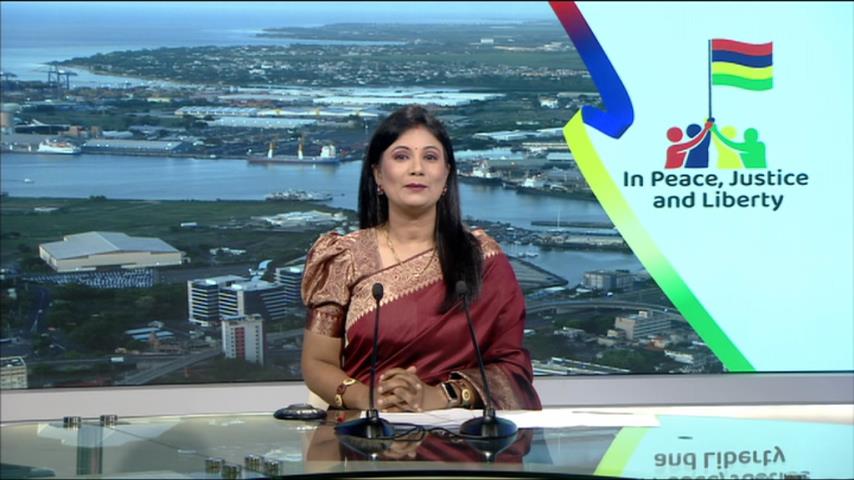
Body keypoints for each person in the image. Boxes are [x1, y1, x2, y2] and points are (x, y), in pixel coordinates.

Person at [300, 104, 542, 413]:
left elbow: (512, 368)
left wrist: (440, 396)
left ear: (446, 174)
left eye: (430, 157)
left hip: (460, 434)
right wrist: (368, 398)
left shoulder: (484, 261)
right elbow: (317, 361)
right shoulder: (343, 259)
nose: (417, 168)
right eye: (401, 156)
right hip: (364, 430)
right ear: (377, 174)